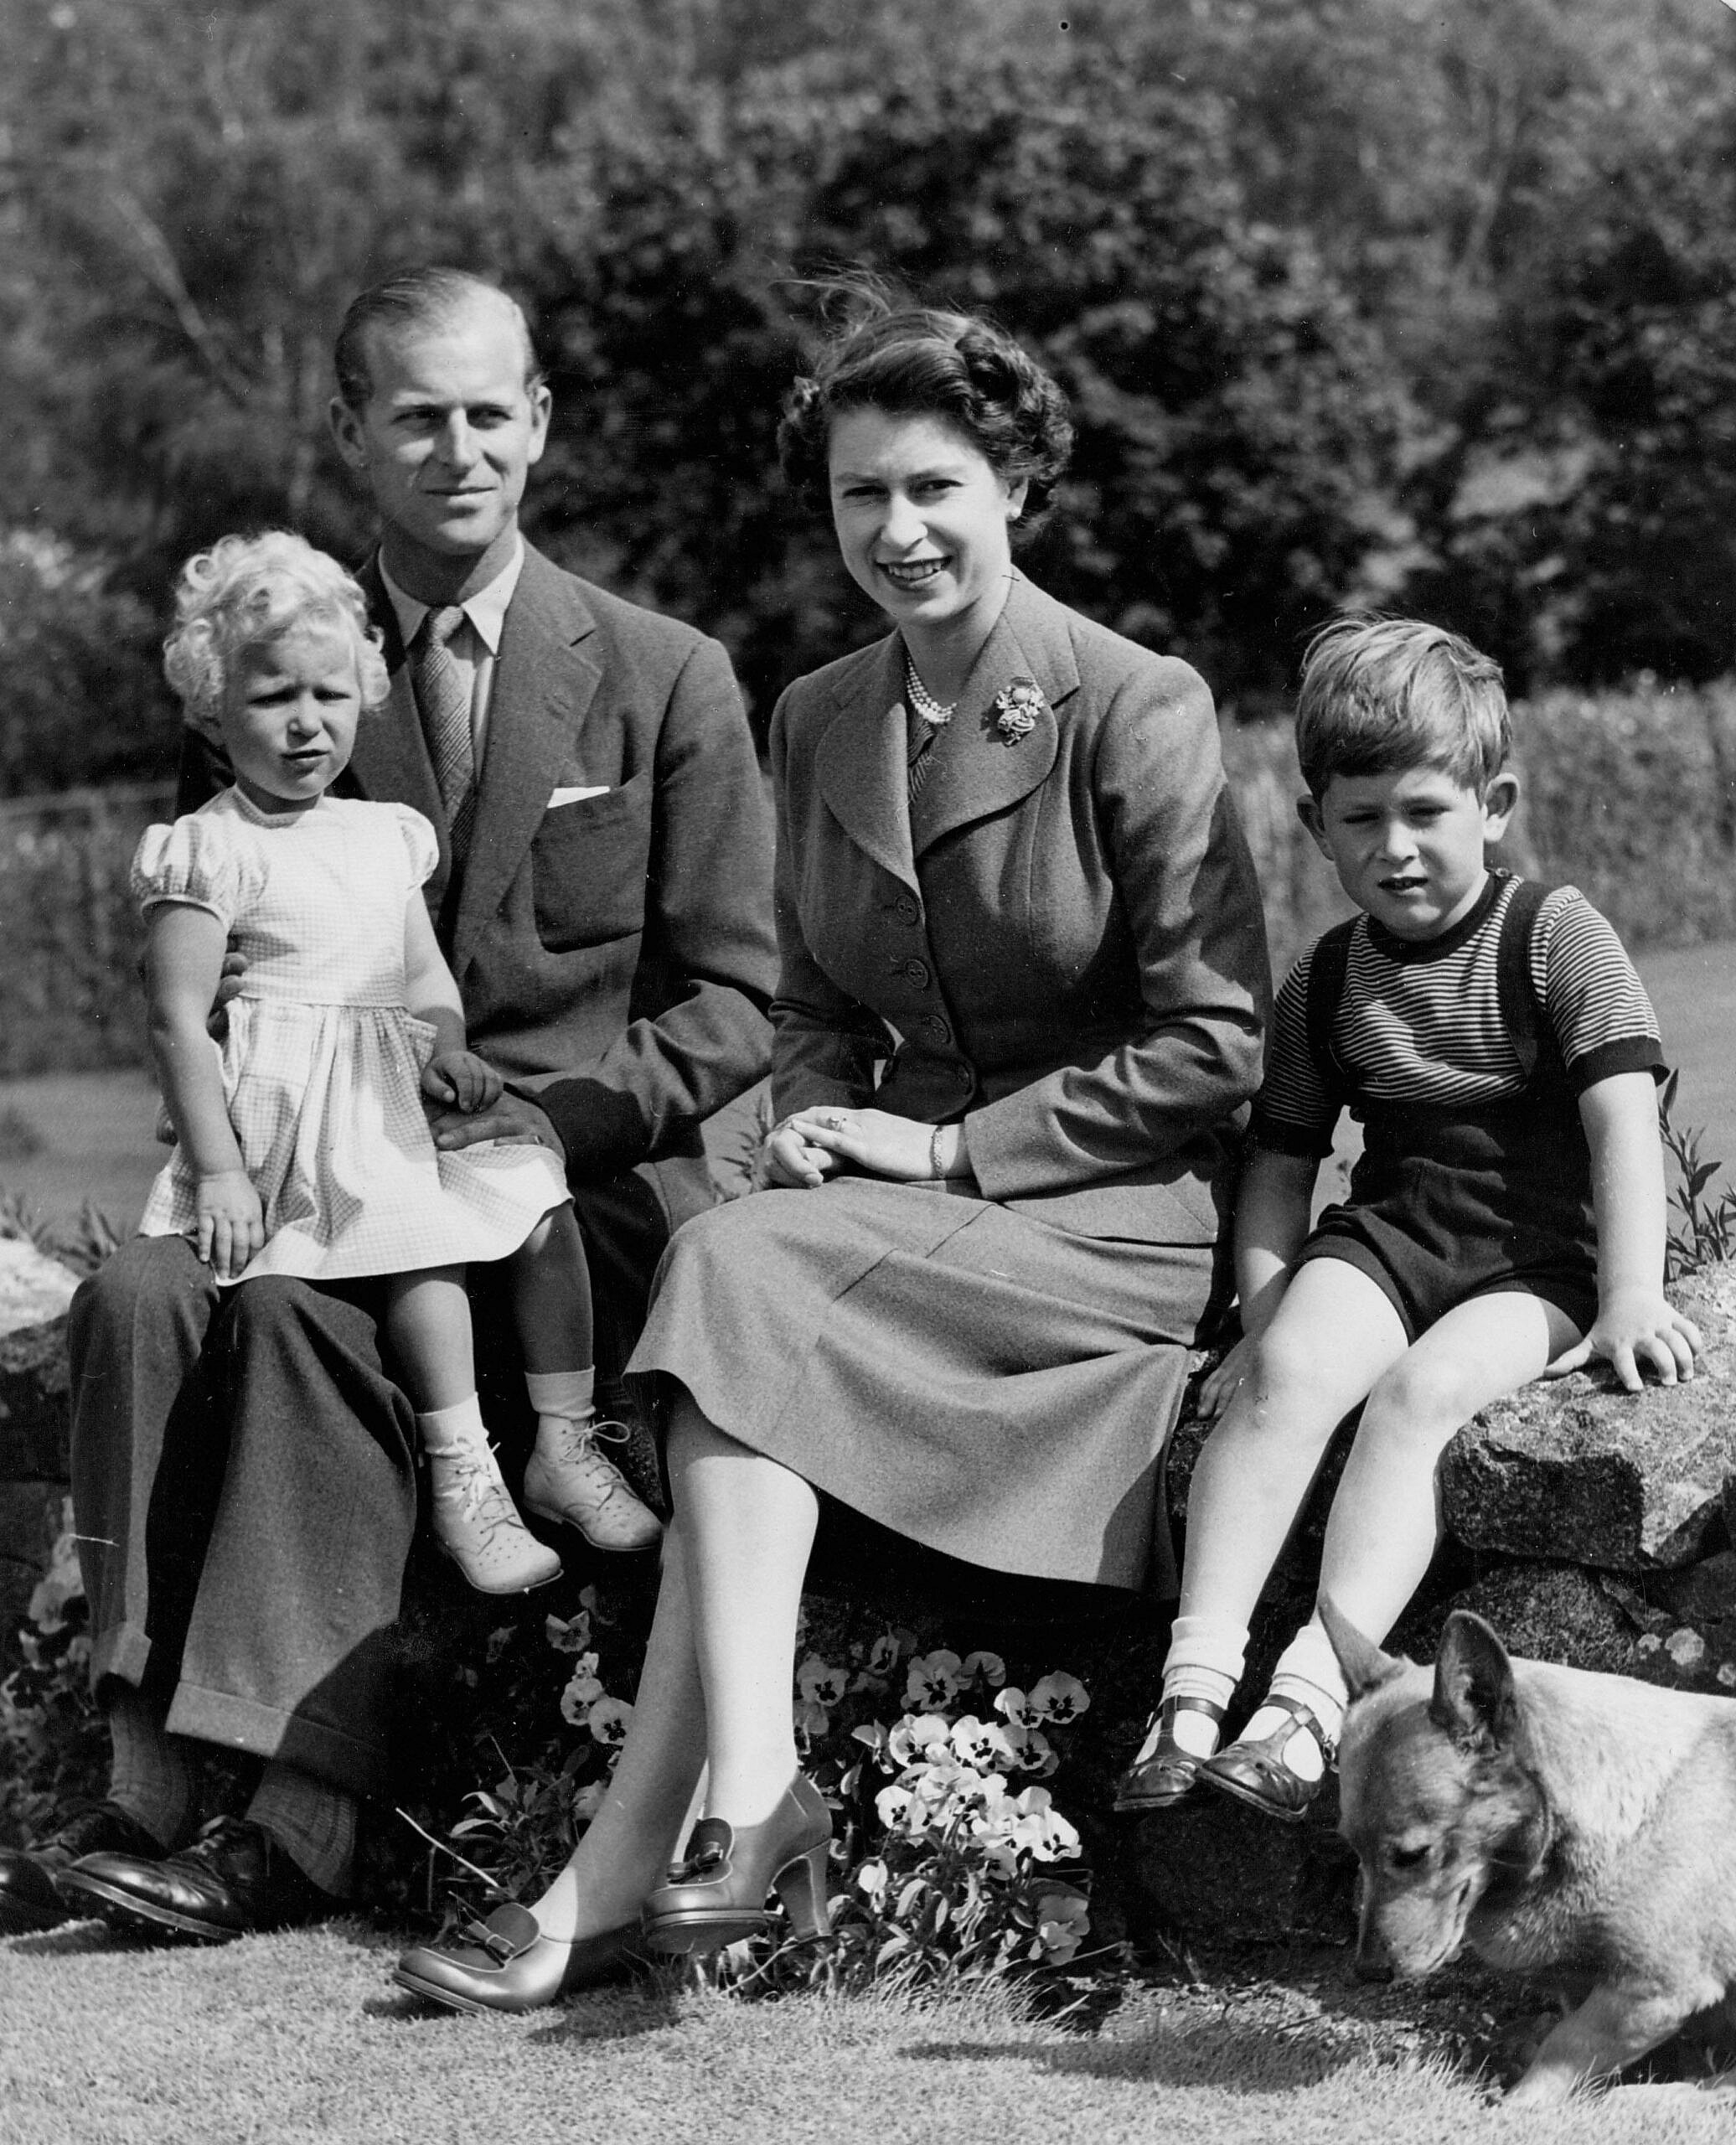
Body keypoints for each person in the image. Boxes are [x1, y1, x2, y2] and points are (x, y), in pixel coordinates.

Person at [393, 291, 1270, 2013]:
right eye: (862, 495)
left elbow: (1213, 1043)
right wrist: (804, 1124)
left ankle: (671, 1835)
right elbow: (808, 1006)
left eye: (936, 486)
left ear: (1016, 485)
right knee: (737, 1276)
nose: (900, 530)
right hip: (882, 1219)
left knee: (725, 1282)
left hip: (1104, 1220)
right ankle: (701, 1821)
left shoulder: (1131, 704)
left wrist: (944, 1158)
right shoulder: (817, 715)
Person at [0, 267, 775, 1946]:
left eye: (489, 410)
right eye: (415, 413)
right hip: (308, 1157)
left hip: (572, 1198)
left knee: (300, 1318)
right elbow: (206, 971)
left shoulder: (662, 674)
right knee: (149, 1292)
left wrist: (539, 1129)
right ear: (352, 431)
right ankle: (129, 1778)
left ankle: (294, 1816)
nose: (457, 447)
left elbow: (732, 1005)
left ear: (541, 424)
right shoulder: (281, 660)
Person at [1113, 616, 1702, 1826]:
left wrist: (1636, 1294)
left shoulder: (1554, 934)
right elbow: (1279, 1169)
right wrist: (1265, 1325)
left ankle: (1311, 1695)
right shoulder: (1328, 978)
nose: (1396, 848)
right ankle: (1191, 1690)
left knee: (1418, 1399)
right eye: (1361, 817)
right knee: (1286, 1378)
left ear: (1495, 803)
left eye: (1426, 812)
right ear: (1313, 825)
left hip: (1534, 1258)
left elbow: (1622, 1123)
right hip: (1393, 1233)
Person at [138, 528, 617, 1597]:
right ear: (214, 707)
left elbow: (423, 976)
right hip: (296, 1114)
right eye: (272, 699)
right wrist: (218, 1170)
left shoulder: (380, 833)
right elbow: (177, 1021)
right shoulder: (210, 847)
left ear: (363, 693)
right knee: (426, 1251)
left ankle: (564, 1437)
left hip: (391, 1092)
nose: (307, 724)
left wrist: (446, 1045)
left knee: (540, 1199)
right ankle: (464, 1474)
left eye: (330, 695)